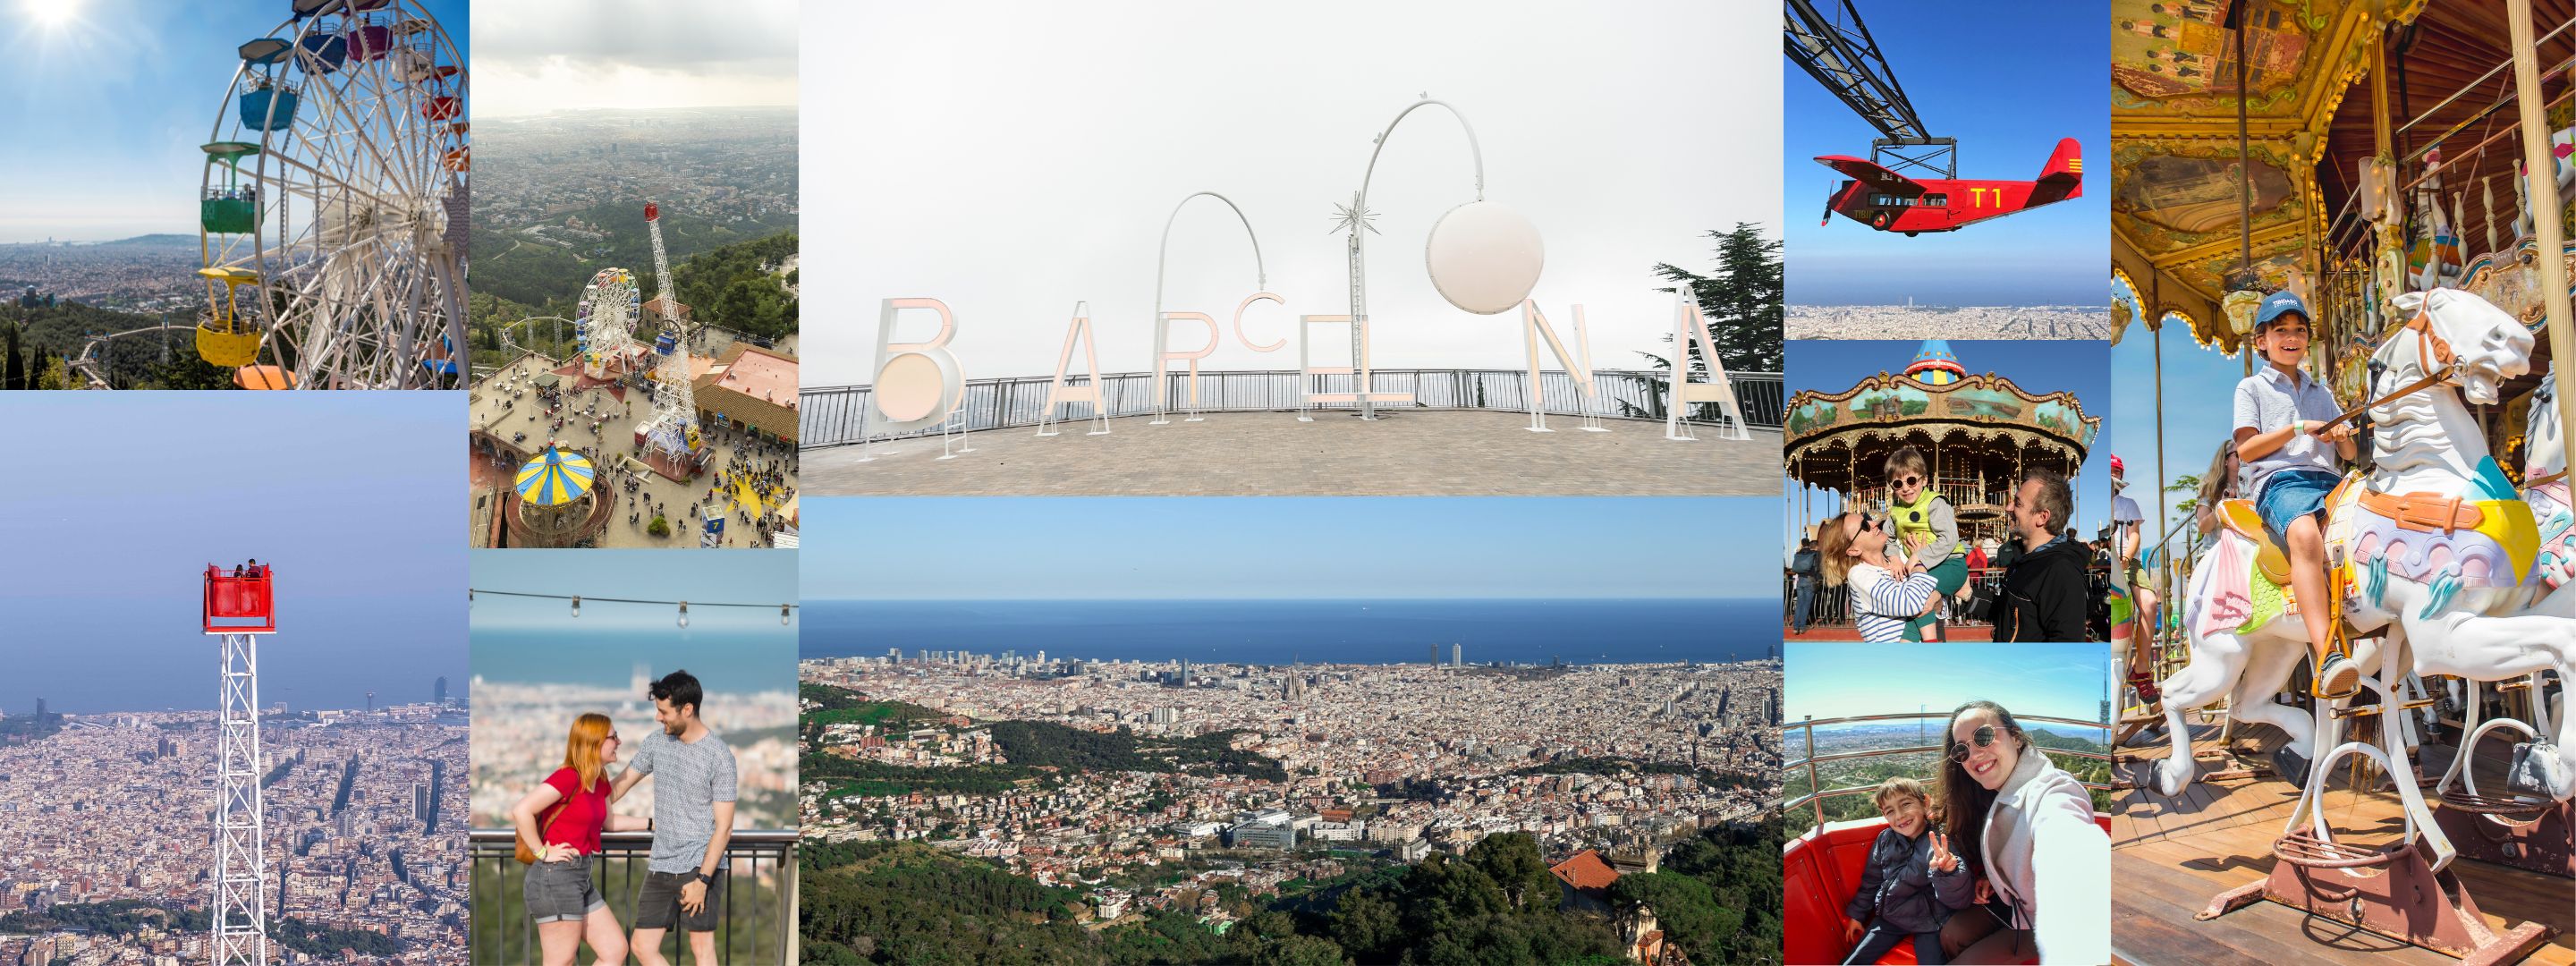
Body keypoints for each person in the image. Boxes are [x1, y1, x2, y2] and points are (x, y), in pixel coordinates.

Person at [2233, 291, 2360, 696]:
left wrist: (2341, 436)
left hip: (2328, 481)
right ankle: (2328, 655)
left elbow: (2350, 453)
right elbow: (2246, 449)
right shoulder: (2251, 388)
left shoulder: (2321, 392)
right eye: (2281, 330)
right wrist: (2298, 429)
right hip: (2281, 481)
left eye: (2299, 331)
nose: (2292, 337)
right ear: (2262, 341)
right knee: (2305, 536)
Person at [1933, 700, 2111, 963]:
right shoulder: (1995, 792)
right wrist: (1995, 877)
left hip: (2049, 919)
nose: (1974, 755)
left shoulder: (2051, 787)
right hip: (2014, 904)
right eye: (1962, 751)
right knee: (1952, 935)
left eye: (1983, 736)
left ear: (2015, 737)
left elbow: (2061, 825)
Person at [611, 671, 739, 966]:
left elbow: (724, 827)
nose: (658, 718)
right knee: (642, 946)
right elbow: (621, 784)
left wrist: (703, 881)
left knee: (701, 948)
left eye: (663, 711)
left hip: (699, 865)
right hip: (661, 862)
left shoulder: (719, 756)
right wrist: (578, 804)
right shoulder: (657, 742)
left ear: (688, 709)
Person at [512, 713, 648, 966]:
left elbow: (608, 822)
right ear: (594, 742)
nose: (618, 742)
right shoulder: (569, 777)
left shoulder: (598, 780)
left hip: (580, 878)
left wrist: (652, 824)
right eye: (613, 737)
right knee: (560, 961)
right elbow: (522, 810)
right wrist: (542, 852)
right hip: (555, 878)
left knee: (615, 950)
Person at [1843, 777, 1972, 964]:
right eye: (1890, 811)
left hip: (1930, 921)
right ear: (1884, 815)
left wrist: (1948, 871)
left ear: (1925, 802)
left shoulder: (1939, 839)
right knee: (1853, 960)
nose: (1900, 816)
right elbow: (1871, 881)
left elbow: (1957, 885)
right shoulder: (1885, 840)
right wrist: (1857, 914)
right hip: (1892, 915)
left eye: (1906, 804)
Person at [1992, 469, 2089, 641]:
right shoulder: (2023, 558)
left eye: (2018, 503)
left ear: (2042, 517)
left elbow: (2066, 646)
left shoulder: (2061, 571)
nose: (2008, 508)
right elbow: (2008, 613)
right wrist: (1968, 593)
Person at [1817, 511, 1943, 642]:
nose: (1873, 523)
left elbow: (1936, 607)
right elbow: (1910, 603)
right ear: (1854, 550)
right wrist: (1919, 561)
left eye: (1867, 518)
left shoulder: (1899, 563)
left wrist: (1937, 600)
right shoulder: (1859, 575)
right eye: (1864, 525)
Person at [1885, 446, 1968, 641]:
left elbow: (1949, 538)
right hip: (1924, 568)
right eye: (1898, 483)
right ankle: (1909, 643)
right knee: (1914, 604)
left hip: (1951, 563)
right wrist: (1895, 559)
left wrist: (1919, 556)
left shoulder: (1935, 503)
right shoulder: (1895, 511)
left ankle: (1928, 642)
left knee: (1919, 595)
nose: (1906, 488)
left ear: (1924, 480)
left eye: (1911, 480)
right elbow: (1886, 538)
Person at [1791, 538, 1823, 635]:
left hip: (1800, 580)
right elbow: (1818, 568)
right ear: (1809, 544)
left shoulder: (1799, 553)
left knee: (1799, 604)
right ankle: (1802, 627)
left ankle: (1795, 628)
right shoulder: (1815, 554)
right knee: (1806, 605)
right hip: (1810, 580)